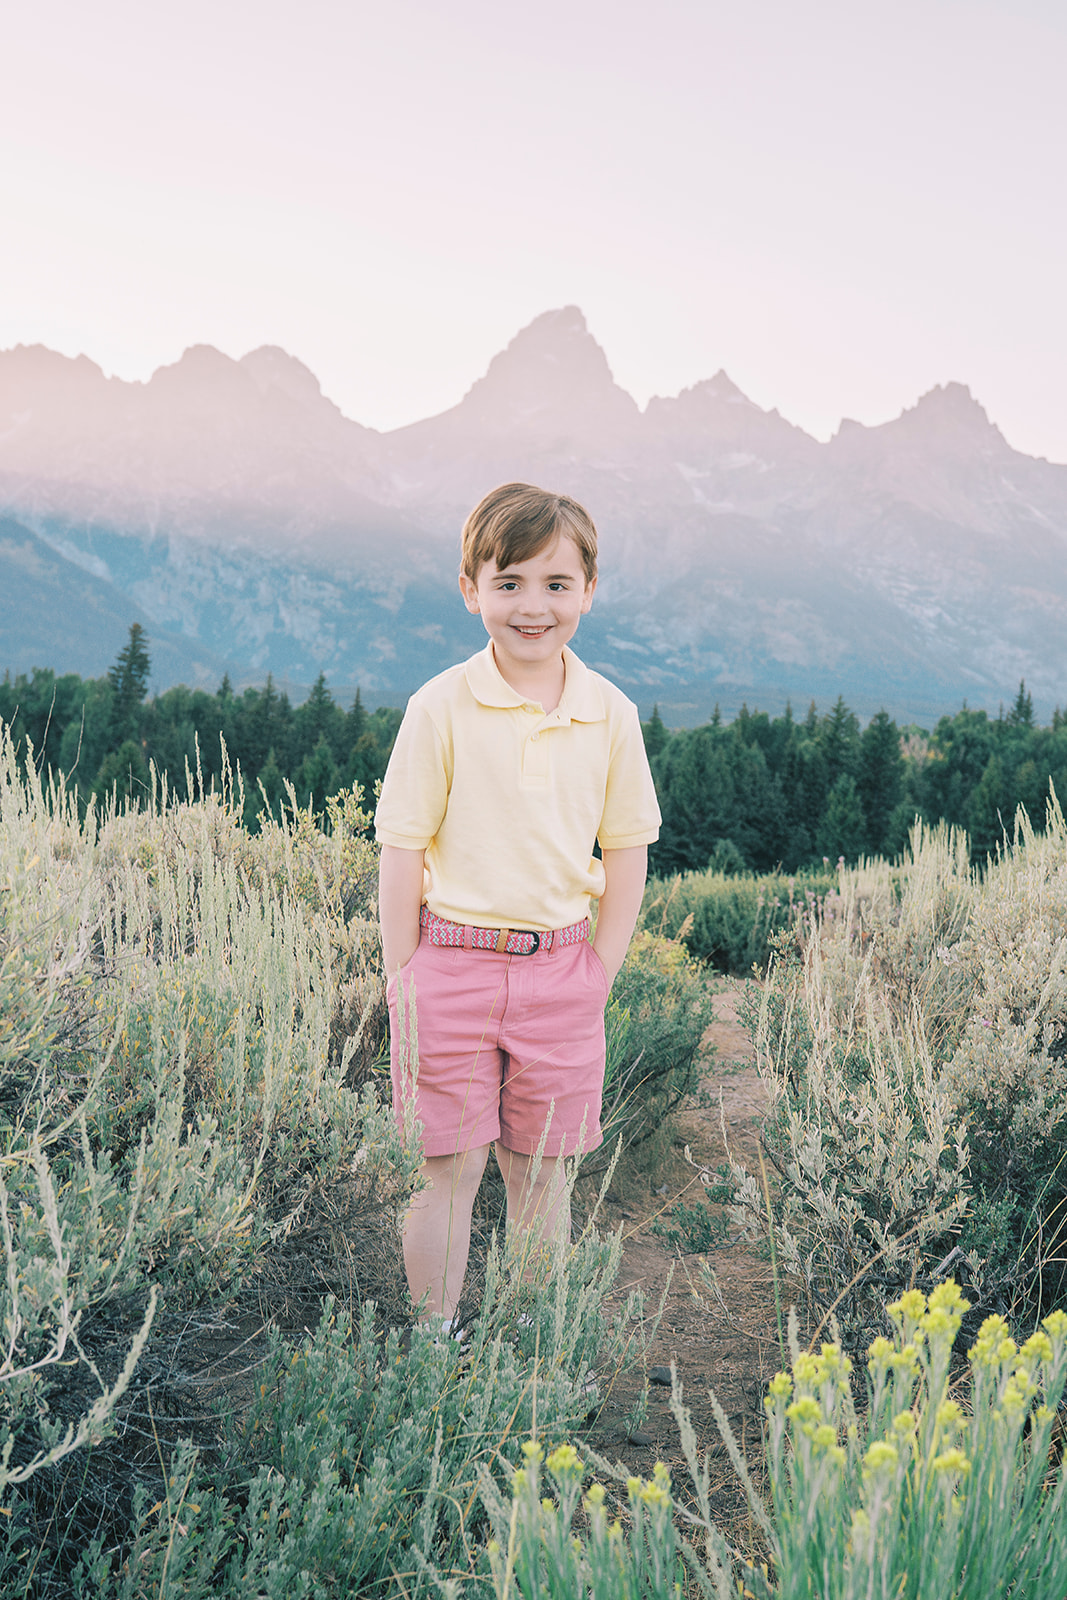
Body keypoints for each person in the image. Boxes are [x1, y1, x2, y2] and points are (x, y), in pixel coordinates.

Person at [375, 481, 660, 1328]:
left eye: (555, 585)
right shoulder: (440, 706)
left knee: (541, 1173)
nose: (532, 607)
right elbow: (400, 851)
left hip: (562, 971)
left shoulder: (609, 713)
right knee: (447, 1170)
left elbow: (627, 849)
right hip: (448, 968)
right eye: (508, 584)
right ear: (471, 590)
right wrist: (403, 978)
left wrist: (597, 972)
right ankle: (434, 1341)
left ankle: (529, 1351)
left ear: (588, 591)